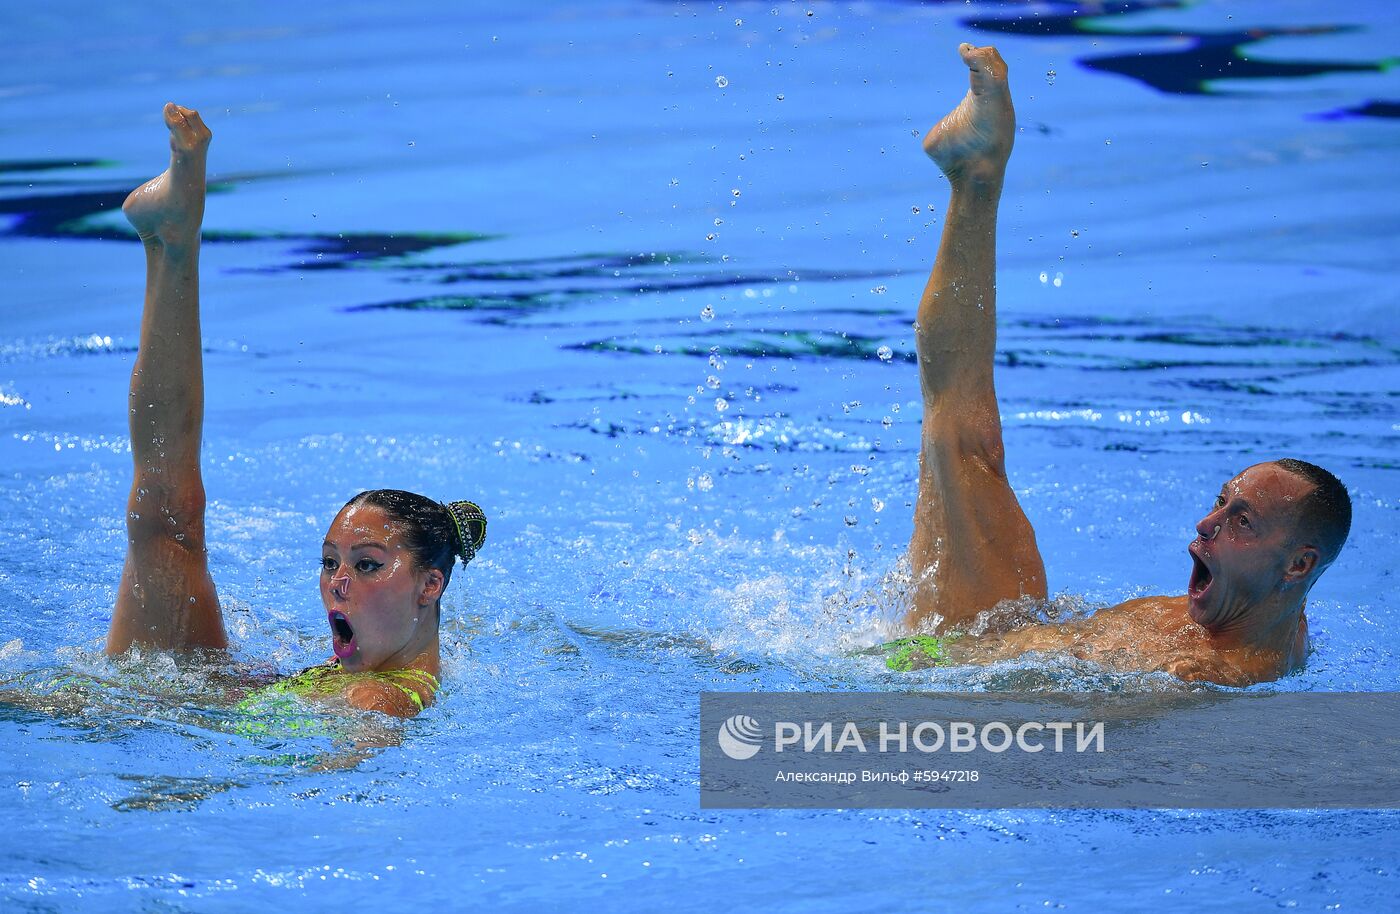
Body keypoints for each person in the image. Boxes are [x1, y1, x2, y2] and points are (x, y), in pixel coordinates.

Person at [894, 45, 1351, 686]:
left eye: (1240, 520)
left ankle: (977, 178)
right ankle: (974, 176)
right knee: (966, 435)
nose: (1206, 523)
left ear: (1299, 564)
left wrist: (906, 669)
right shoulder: (1277, 614)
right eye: (1223, 502)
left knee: (959, 432)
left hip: (962, 657)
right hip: (1021, 624)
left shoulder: (1196, 674)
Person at [108, 103, 486, 717]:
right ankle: (172, 239)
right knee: (170, 513)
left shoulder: (378, 699)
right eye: (331, 562)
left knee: (164, 513)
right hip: (217, 698)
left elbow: (348, 765)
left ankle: (174, 243)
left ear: (429, 586)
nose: (338, 583)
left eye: (367, 565)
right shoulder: (393, 666)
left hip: (163, 725)